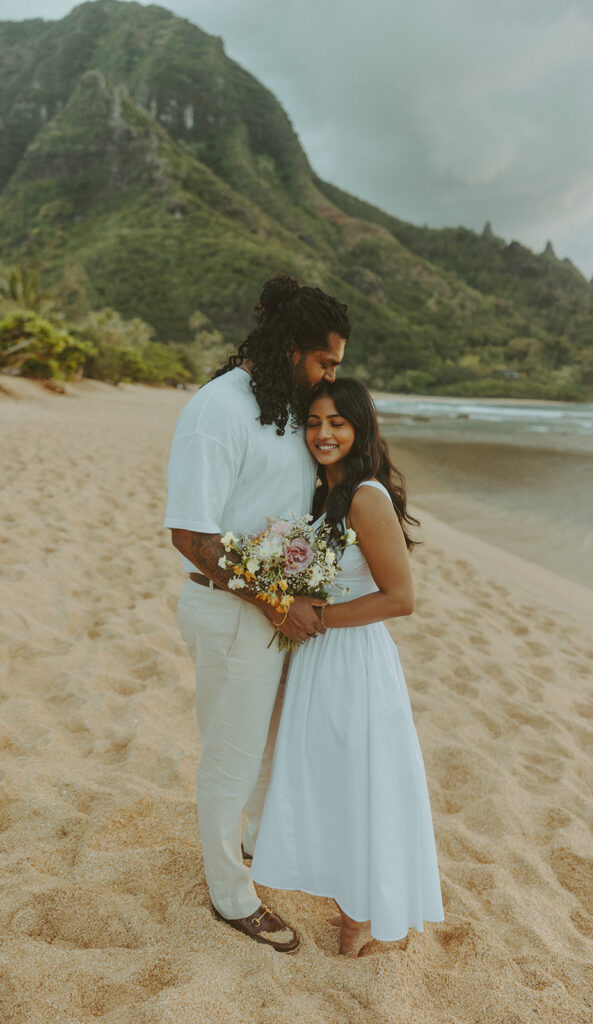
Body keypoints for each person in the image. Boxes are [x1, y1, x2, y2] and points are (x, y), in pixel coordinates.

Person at [164, 274, 350, 953]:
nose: (332, 374)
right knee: (231, 759)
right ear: (292, 347)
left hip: (274, 613)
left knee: (272, 749)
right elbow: (192, 537)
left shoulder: (282, 405)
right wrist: (277, 601)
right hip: (232, 612)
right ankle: (230, 894)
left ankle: (254, 841)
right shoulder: (217, 410)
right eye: (326, 361)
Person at [250, 378, 444, 957]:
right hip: (315, 658)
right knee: (329, 781)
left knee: (359, 783)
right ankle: (350, 905)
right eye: (313, 422)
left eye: (336, 422)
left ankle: (360, 918)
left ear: (359, 429)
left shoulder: (364, 495)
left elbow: (401, 598)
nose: (323, 433)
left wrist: (315, 616)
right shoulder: (318, 493)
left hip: (352, 659)